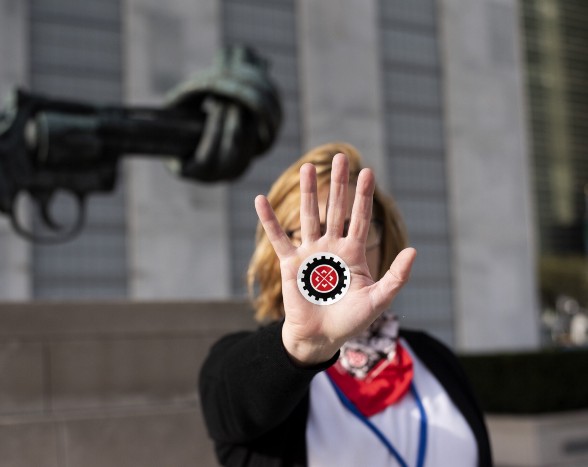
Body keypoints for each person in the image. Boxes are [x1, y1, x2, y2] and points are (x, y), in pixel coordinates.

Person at [199, 142, 492, 466]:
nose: (335, 249)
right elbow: (235, 407)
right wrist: (305, 345)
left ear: (383, 239)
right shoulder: (255, 366)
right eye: (315, 232)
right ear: (276, 252)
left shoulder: (434, 357)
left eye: (356, 229)